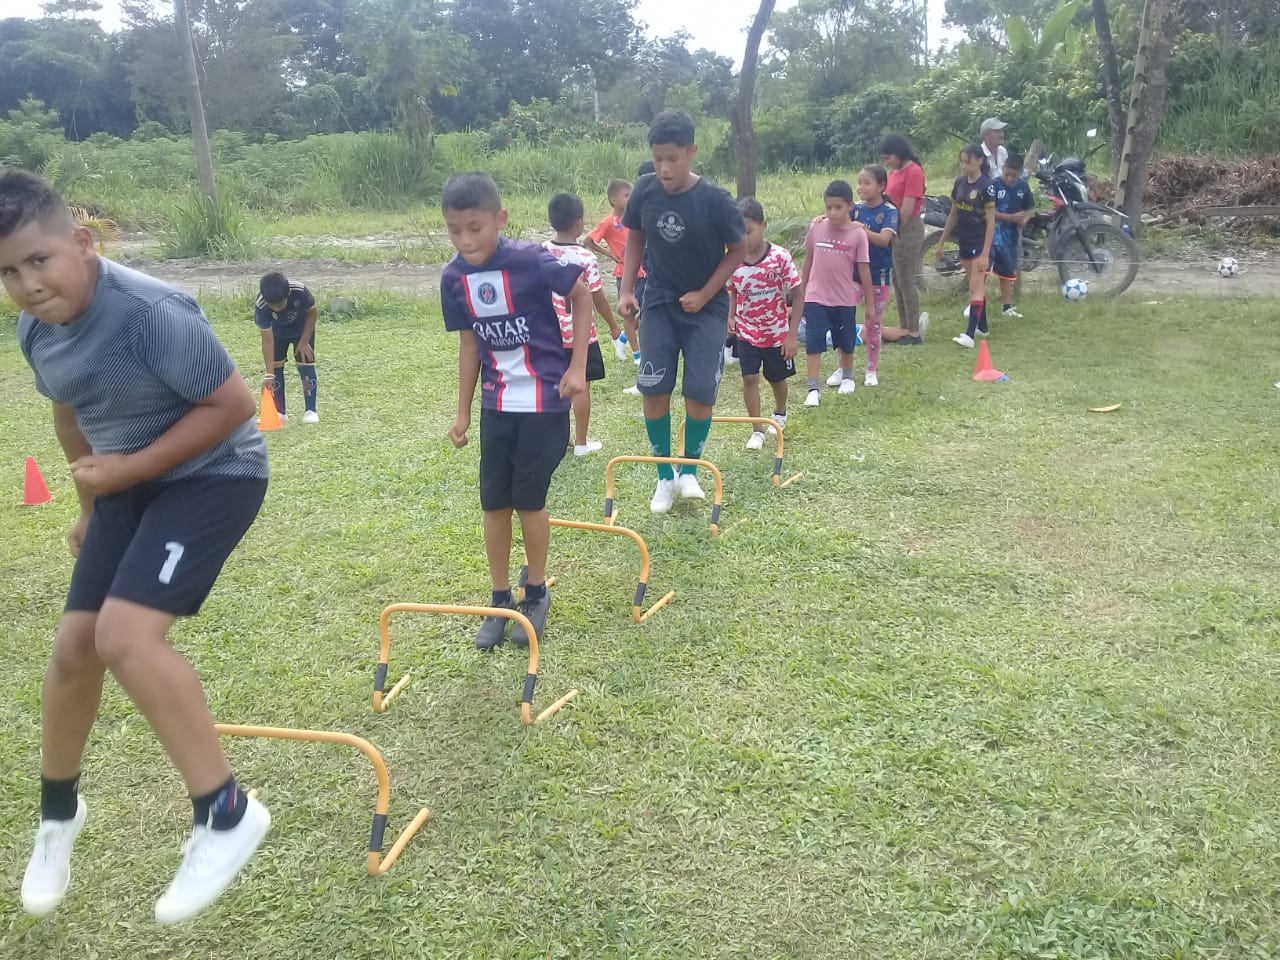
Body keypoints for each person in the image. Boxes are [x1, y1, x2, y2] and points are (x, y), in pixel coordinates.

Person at [2, 168, 271, 926]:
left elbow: (233, 405)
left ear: (82, 242)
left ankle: (226, 814)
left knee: (124, 636)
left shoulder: (152, 313)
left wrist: (129, 470)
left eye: (39, 260)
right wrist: (93, 507)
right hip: (126, 483)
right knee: (73, 649)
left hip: (214, 475)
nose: (27, 285)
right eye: (8, 272)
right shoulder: (36, 330)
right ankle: (59, 815)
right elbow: (70, 415)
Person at [440, 173, 591, 649]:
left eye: (475, 228)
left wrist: (577, 367)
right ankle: (500, 596)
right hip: (497, 405)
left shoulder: (530, 260)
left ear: (500, 219)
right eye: (455, 230)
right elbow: (469, 344)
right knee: (493, 502)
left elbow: (582, 294)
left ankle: (537, 590)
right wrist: (463, 412)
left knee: (529, 500)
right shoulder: (454, 278)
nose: (466, 240)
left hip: (544, 403)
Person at [618, 110, 746, 514]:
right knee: (654, 387)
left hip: (706, 308)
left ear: (692, 151)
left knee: (699, 389)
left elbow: (738, 250)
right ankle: (664, 476)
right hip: (659, 301)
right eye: (658, 158)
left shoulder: (715, 199)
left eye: (672, 158)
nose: (664, 168)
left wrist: (705, 294)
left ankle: (690, 469)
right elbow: (635, 238)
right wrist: (626, 290)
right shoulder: (645, 190)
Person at [543, 191, 619, 456]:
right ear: (579, 223)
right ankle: (581, 443)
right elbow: (597, 297)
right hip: (581, 335)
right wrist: (613, 325)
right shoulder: (586, 258)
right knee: (582, 386)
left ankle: (557, 439)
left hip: (549, 333)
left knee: (555, 385)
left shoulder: (542, 251)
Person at [726, 198, 803, 449]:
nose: (743, 238)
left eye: (748, 231)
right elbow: (733, 291)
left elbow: (799, 294)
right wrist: (731, 316)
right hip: (747, 332)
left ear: (763, 225)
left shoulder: (779, 257)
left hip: (776, 333)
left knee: (776, 378)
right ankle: (757, 429)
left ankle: (780, 412)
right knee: (749, 378)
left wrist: (792, 334)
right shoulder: (733, 260)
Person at [800, 180, 873, 407]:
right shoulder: (817, 227)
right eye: (828, 207)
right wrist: (801, 291)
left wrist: (870, 302)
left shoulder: (858, 234)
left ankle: (848, 377)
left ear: (850, 206)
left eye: (838, 207)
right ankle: (813, 389)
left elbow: (864, 269)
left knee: (846, 340)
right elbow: (808, 260)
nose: (832, 212)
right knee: (813, 342)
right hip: (815, 297)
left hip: (844, 298)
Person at [936, 144, 997, 348]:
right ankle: (983, 327)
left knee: (975, 288)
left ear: (980, 161)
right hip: (965, 240)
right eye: (962, 162)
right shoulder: (959, 183)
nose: (964, 166)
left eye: (968, 162)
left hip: (980, 242)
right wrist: (942, 241)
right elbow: (954, 214)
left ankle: (969, 335)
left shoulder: (986, 186)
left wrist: (985, 253)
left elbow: (991, 222)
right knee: (976, 286)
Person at [878, 133, 929, 344]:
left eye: (888, 157)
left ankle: (914, 331)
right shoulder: (895, 172)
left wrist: (892, 231)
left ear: (898, 153)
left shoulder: (914, 171)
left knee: (906, 279)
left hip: (907, 230)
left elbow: (907, 210)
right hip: (895, 228)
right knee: (897, 279)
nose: (887, 162)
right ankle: (905, 327)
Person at [850, 165, 899, 385]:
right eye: (859, 182)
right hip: (853, 275)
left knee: (874, 324)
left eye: (867, 183)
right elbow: (837, 220)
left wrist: (861, 230)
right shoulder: (855, 209)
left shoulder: (889, 212)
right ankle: (843, 368)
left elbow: (884, 240)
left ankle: (871, 370)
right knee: (844, 319)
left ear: (881, 186)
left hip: (879, 276)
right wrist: (822, 219)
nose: (861, 187)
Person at [584, 178, 640, 365]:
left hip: (643, 271)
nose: (630, 199)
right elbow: (588, 240)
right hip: (624, 273)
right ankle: (638, 355)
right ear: (614, 200)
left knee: (646, 313)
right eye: (626, 195)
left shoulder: (635, 217)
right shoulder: (609, 222)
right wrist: (611, 254)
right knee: (630, 314)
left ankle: (623, 337)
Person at [255, 272, 319, 423]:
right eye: (272, 306)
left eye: (279, 305)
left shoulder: (300, 291)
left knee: (305, 362)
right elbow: (267, 340)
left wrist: (304, 341)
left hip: (302, 330)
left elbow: (312, 313)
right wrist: (269, 374)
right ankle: (280, 412)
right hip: (277, 334)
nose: (275, 309)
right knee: (276, 366)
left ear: (288, 294)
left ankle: (311, 411)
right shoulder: (261, 304)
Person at [992, 154, 1036, 318]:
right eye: (1007, 174)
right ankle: (975, 304)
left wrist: (1025, 218)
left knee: (1007, 272)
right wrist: (1010, 217)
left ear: (1020, 173)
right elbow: (988, 211)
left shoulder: (1023, 187)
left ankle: (1007, 307)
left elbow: (1030, 207)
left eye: (1014, 175)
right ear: (1002, 169)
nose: (1010, 178)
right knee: (981, 271)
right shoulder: (994, 185)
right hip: (990, 236)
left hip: (1010, 238)